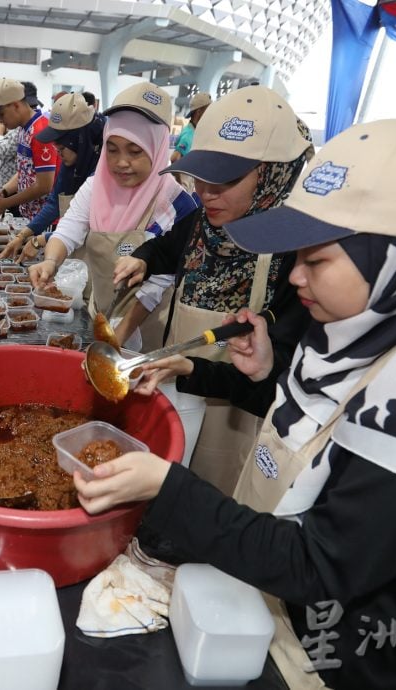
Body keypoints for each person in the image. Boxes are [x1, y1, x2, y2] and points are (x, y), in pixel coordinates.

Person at [74, 118, 396, 689]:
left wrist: (166, 486)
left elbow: (321, 563)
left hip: (341, 658)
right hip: (270, 606)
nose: (297, 277)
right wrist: (229, 372)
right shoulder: (373, 321)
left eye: (318, 260)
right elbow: (322, 423)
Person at [113, 86, 314, 493]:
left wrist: (198, 370)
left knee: (210, 487)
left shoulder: (300, 255)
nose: (206, 193)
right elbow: (168, 247)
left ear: (273, 175)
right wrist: (146, 258)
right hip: (180, 378)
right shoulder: (203, 221)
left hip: (238, 407)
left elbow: (279, 375)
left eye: (226, 180)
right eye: (200, 178)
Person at [29, 82, 198, 352]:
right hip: (101, 315)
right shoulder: (95, 187)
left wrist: (119, 336)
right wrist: (50, 263)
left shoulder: (177, 205)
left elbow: (158, 282)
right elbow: (68, 231)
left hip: (147, 328)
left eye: (135, 151)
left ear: (157, 148)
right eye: (112, 148)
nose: (121, 162)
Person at [0, 92, 105, 261]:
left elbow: (84, 225)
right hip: (72, 249)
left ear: (79, 141)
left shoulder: (102, 171)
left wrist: (40, 240)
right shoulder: (73, 162)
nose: (58, 154)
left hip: (98, 254)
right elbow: (55, 202)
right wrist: (24, 234)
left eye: (62, 149)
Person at [0, 79, 58, 221]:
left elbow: (44, 186)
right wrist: (4, 192)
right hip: (29, 217)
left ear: (16, 106)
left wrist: (6, 203)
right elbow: (25, 171)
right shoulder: (23, 129)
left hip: (44, 220)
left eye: (1, 114)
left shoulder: (40, 132)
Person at [170, 91, 211, 163]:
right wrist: (183, 174)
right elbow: (174, 158)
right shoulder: (189, 134)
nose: (210, 113)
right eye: (208, 110)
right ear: (199, 112)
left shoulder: (194, 131)